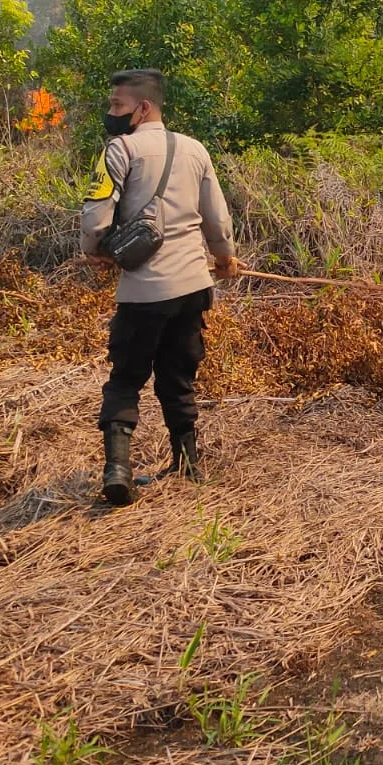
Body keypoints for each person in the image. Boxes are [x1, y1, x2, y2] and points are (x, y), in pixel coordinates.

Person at [80, 69, 240, 505]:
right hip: (192, 286)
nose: (111, 114)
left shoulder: (119, 149)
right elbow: (217, 217)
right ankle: (188, 465)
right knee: (178, 377)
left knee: (125, 378)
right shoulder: (195, 149)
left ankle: (117, 469)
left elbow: (96, 217)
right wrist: (224, 258)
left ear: (142, 107)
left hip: (143, 291)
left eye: (117, 106)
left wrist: (93, 249)